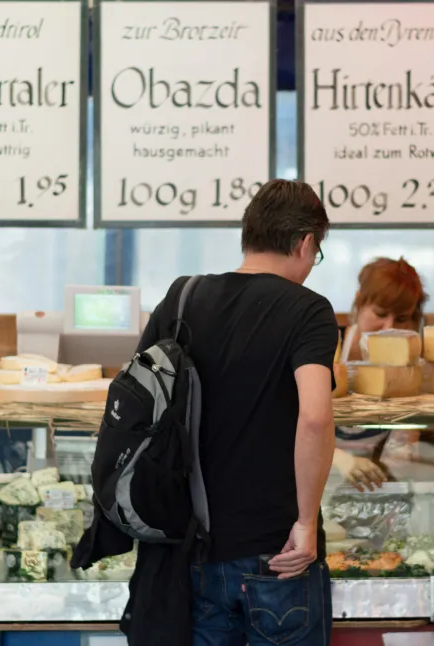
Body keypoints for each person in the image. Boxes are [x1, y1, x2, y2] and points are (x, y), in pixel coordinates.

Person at [137, 179, 338, 646]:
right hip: (279, 552)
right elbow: (314, 416)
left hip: (193, 550)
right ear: (306, 243)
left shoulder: (182, 298)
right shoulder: (308, 311)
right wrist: (306, 523)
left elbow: (141, 402)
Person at [332, 257, 428, 491]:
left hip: (376, 487)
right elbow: (295, 424)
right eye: (380, 314)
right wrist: (337, 459)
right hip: (322, 477)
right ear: (359, 302)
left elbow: (401, 454)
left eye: (401, 318)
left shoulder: (412, 365)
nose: (389, 327)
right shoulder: (329, 346)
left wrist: (387, 468)